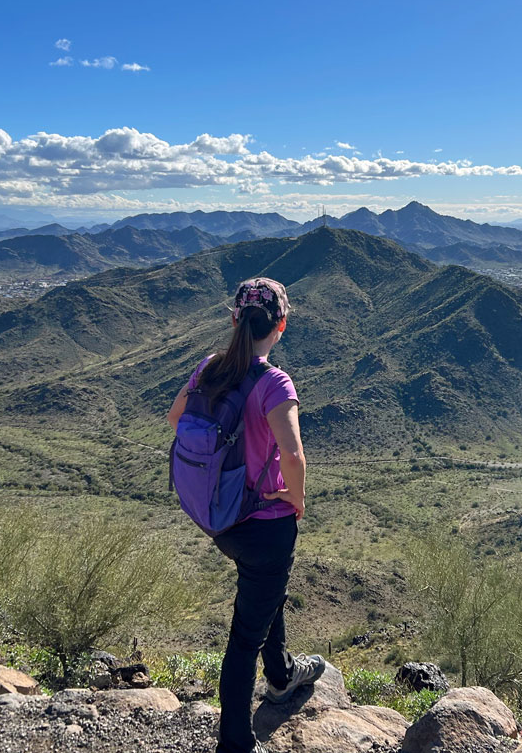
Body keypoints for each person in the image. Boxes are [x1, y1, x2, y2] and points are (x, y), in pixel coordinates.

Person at [166, 276, 325, 753]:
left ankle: (279, 677)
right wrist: (295, 500)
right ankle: (235, 743)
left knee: (264, 591)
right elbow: (293, 455)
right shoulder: (274, 383)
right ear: (281, 326)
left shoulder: (209, 368)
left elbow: (176, 419)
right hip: (262, 525)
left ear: (235, 320)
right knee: (242, 641)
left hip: (222, 517)